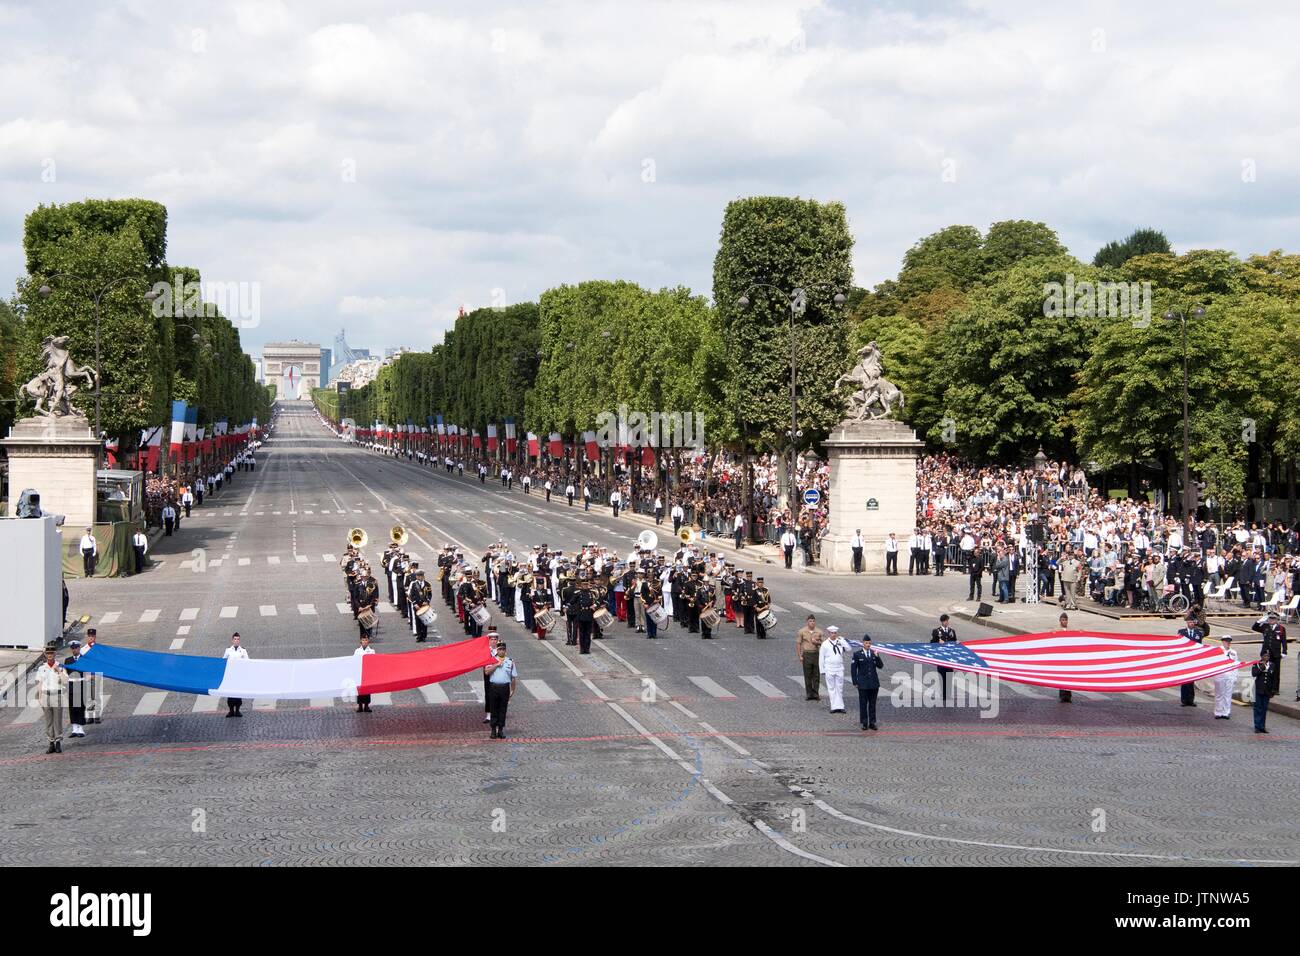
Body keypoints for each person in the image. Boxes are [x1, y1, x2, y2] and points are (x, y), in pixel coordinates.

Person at [35, 643, 68, 753]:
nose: (50, 655)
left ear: (55, 654)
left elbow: (65, 681)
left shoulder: (61, 666)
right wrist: (39, 697)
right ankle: (51, 742)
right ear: (45, 654)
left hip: (56, 695)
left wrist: (58, 671)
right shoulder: (41, 668)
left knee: (57, 720)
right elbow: (39, 683)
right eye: (48, 653)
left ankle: (58, 742)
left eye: (52, 653)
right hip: (45, 696)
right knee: (48, 721)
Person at [484, 640, 518, 739]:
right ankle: (493, 730)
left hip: (504, 688)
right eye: (500, 649)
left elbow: (513, 677)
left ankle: (501, 730)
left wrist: (512, 690)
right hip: (494, 687)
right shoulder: (491, 659)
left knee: (503, 709)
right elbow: (487, 672)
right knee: (494, 708)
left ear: (505, 651)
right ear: (497, 650)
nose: (502, 651)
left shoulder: (510, 661)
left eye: (503, 649)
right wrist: (496, 665)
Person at [851, 635, 885, 730]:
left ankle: (872, 722)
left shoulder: (874, 653)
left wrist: (877, 657)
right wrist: (855, 682)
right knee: (863, 704)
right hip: (863, 684)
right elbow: (853, 669)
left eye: (869, 643)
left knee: (872, 704)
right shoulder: (857, 654)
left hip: (873, 683)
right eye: (866, 643)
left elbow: (880, 666)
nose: (868, 645)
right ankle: (864, 722)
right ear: (863, 643)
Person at [818, 626, 848, 714]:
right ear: (829, 633)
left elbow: (848, 648)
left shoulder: (840, 642)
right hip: (829, 668)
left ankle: (841, 706)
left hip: (839, 668)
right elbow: (821, 658)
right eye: (832, 633)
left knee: (840, 687)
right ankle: (834, 706)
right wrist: (822, 670)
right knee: (831, 688)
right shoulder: (825, 644)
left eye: (835, 633)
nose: (834, 634)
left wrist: (843, 641)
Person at [796, 615, 825, 701]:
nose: (812, 623)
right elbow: (798, 643)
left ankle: (816, 693)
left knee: (816, 675)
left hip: (816, 654)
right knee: (807, 675)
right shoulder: (802, 631)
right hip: (807, 654)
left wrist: (818, 642)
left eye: (813, 621)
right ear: (807, 622)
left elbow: (825, 644)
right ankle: (809, 694)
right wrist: (800, 656)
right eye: (810, 621)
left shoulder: (819, 632)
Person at [1177, 615, 1204, 706]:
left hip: (1193, 660)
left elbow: (1199, 646)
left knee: (1191, 680)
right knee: (1184, 681)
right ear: (1186, 623)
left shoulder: (1198, 633)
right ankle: (1184, 700)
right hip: (1184, 659)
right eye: (1189, 622)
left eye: (1192, 622)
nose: (1190, 624)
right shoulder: (1181, 632)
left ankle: (1191, 700)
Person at [931, 614, 957, 703]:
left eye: (948, 621)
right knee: (942, 676)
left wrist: (956, 642)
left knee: (949, 675)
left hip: (949, 658)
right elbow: (932, 643)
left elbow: (954, 641)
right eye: (946, 621)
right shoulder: (936, 631)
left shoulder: (952, 631)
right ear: (942, 621)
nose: (947, 622)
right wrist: (938, 642)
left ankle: (948, 694)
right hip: (941, 657)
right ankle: (943, 694)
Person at [1252, 648, 1278, 733]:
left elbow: (1274, 678)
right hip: (1259, 689)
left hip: (1267, 690)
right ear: (1262, 656)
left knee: (1264, 709)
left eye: (1268, 656)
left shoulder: (1272, 665)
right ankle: (1257, 726)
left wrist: (1273, 690)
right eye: (1265, 656)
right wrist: (1262, 667)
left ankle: (1262, 726)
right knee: (1258, 708)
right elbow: (1254, 674)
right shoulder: (1257, 664)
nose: (1267, 657)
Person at [63, 640, 86, 738]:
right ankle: (74, 728)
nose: (74, 650)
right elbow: (65, 673)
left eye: (76, 648)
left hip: (81, 684)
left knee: (80, 707)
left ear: (79, 648)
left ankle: (80, 728)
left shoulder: (84, 659)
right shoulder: (68, 660)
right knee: (72, 707)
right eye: (72, 648)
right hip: (72, 685)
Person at [223, 633, 248, 716]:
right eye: (235, 639)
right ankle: (231, 711)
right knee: (230, 694)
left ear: (239, 640)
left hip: (239, 675)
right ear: (232, 640)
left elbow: (247, 662)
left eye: (238, 639)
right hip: (230, 675)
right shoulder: (228, 650)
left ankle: (237, 710)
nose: (236, 641)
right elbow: (223, 661)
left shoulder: (243, 650)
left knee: (238, 694)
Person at [1213, 637, 1238, 719]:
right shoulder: (1217, 651)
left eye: (1229, 641)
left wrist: (1235, 677)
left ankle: (1226, 712)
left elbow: (1236, 665)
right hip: (1220, 675)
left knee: (1228, 695)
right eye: (1226, 641)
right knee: (1219, 694)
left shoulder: (1233, 652)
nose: (1228, 643)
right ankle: (1218, 712)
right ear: (1222, 642)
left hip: (1230, 676)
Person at [354, 635, 374, 712]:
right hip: (359, 672)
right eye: (363, 640)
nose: (364, 642)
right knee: (360, 689)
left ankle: (366, 705)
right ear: (361, 641)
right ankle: (360, 705)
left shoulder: (372, 651)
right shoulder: (357, 651)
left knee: (367, 689)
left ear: (368, 641)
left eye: (366, 640)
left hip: (367, 672)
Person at [1056, 612, 1073, 702]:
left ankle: (1068, 696)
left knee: (1068, 677)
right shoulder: (1057, 630)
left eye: (1066, 620)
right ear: (1060, 621)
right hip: (1061, 657)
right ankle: (1062, 696)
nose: (1064, 622)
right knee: (1061, 677)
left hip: (1069, 657)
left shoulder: (1071, 630)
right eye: (1063, 620)